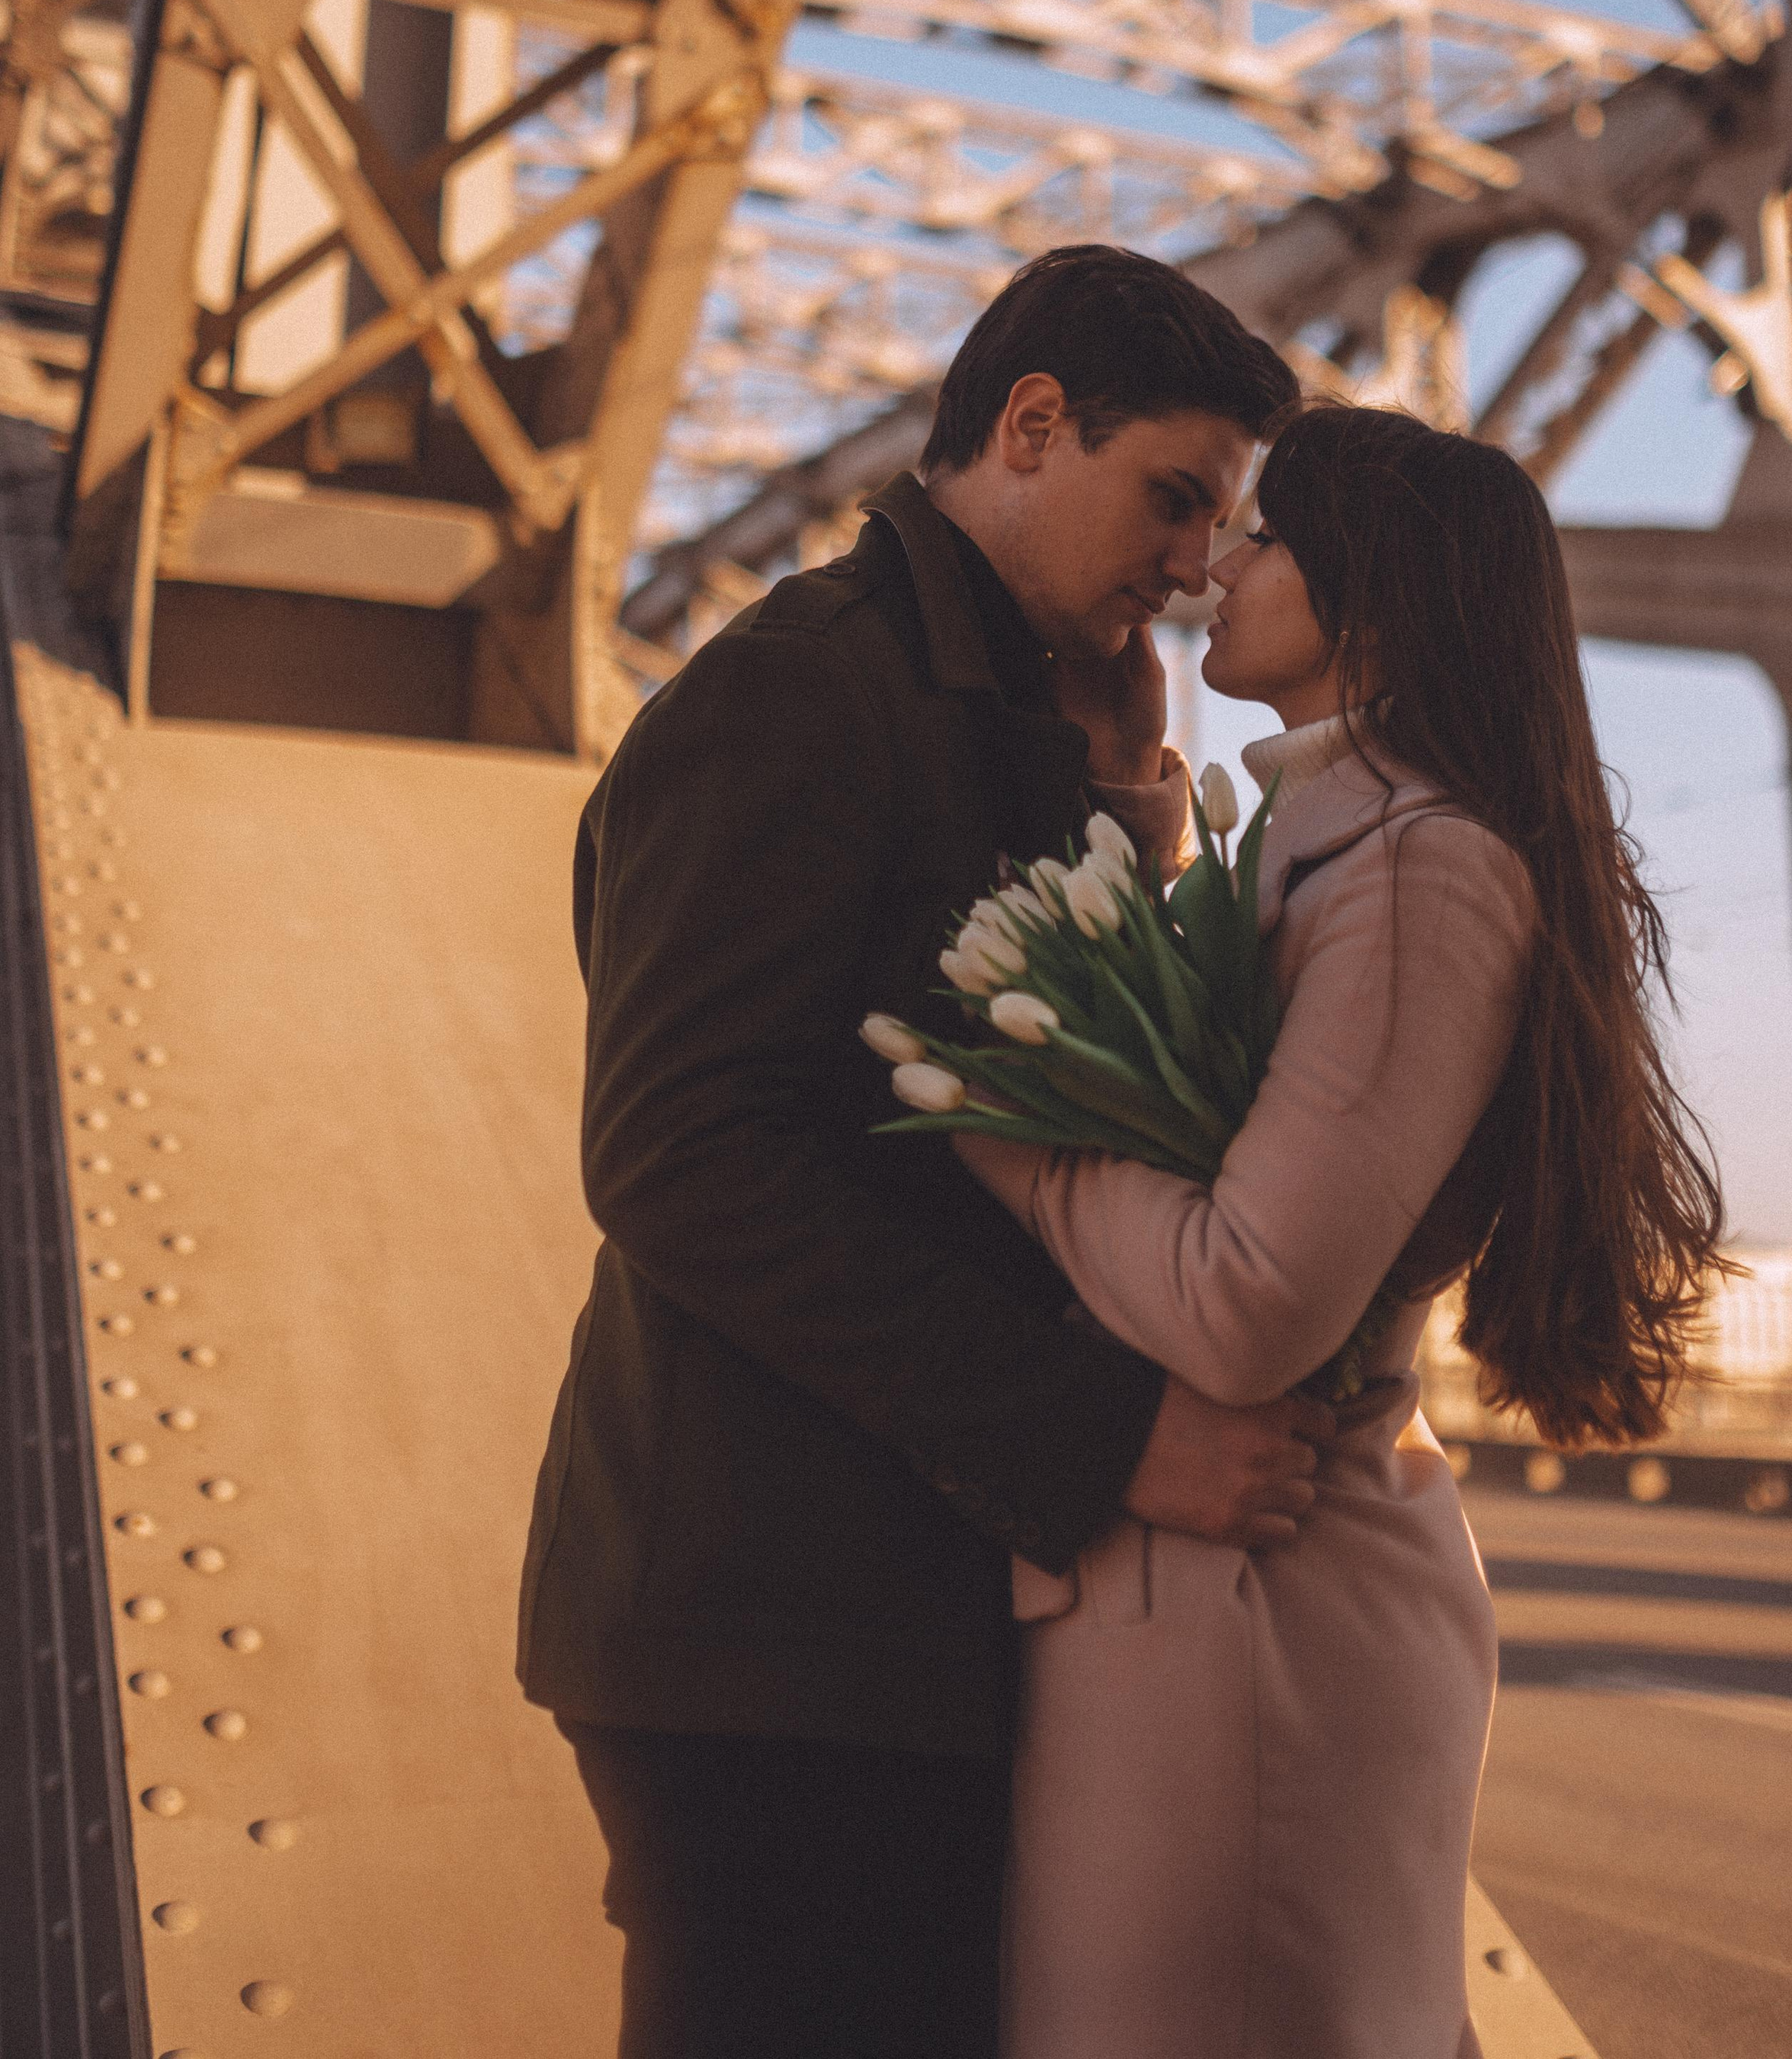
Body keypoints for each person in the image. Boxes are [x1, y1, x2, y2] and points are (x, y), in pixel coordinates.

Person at [517, 245, 1327, 2059]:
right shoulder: (798, 691)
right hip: (769, 1633)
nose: (1198, 564)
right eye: (1172, 497)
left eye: (1220, 519)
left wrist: (1128, 809)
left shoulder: (989, 704)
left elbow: (1054, 1106)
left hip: (866, 1615)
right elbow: (676, 1152)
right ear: (1032, 425)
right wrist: (1105, 1436)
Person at [958, 399, 1726, 2059]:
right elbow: (1222, 1105)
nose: (1215, 564)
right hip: (1209, 1605)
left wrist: (999, 1134)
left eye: (1266, 536)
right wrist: (1135, 816)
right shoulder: (1333, 834)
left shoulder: (1415, 867)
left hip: (1256, 1630)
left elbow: (1247, 1306)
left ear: (1367, 597)